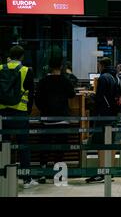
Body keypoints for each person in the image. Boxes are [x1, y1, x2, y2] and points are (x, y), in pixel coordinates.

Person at [0, 45, 37, 188]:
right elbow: (31, 93)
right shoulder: (26, 70)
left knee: (4, 146)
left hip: (2, 113)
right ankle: (26, 179)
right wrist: (27, 111)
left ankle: (4, 176)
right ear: (22, 56)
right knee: (23, 145)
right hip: (20, 112)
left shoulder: (0, 68)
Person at [35, 56, 75, 184]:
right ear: (61, 67)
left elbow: (37, 99)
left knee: (44, 146)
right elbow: (72, 94)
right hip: (62, 118)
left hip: (47, 119)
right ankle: (59, 175)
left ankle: (42, 173)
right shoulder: (65, 80)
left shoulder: (43, 81)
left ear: (49, 67)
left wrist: (44, 111)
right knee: (60, 147)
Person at [85, 57, 121, 183]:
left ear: (101, 65)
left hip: (103, 115)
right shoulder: (116, 77)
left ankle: (101, 172)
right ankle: (109, 172)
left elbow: (100, 98)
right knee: (110, 143)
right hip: (114, 114)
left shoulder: (103, 77)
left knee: (100, 143)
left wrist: (92, 99)